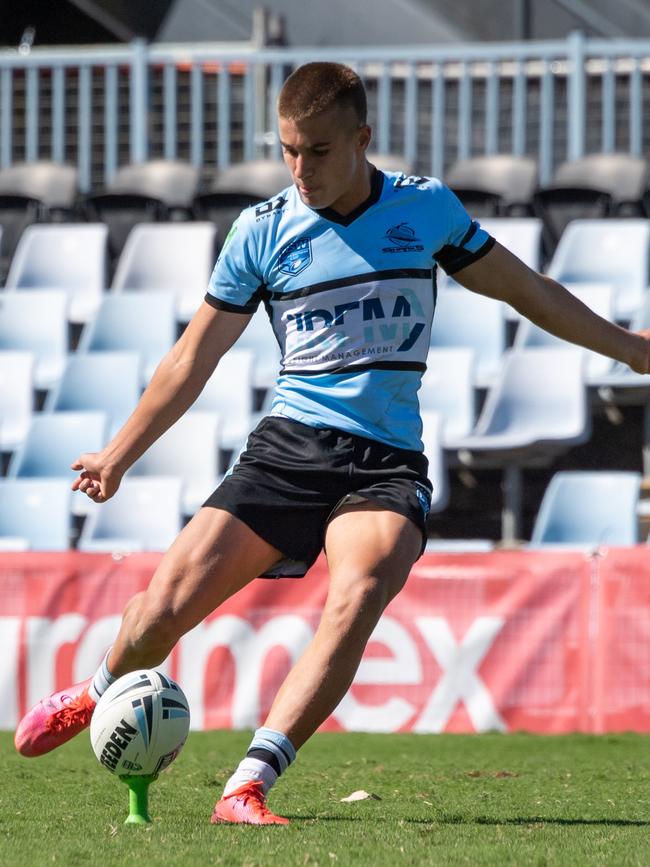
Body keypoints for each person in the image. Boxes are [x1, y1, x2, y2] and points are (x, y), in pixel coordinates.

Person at [15, 62, 650, 824]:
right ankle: (94, 692)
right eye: (288, 149)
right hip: (287, 450)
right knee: (160, 613)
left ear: (362, 138)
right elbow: (193, 357)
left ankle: (245, 786)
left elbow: (530, 291)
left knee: (359, 590)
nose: (300, 168)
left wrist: (633, 350)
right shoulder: (262, 230)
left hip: (384, 464)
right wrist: (119, 454)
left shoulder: (426, 211)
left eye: (317, 150)